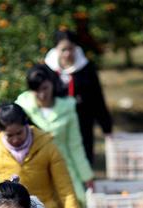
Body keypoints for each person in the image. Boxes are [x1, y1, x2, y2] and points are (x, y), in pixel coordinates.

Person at [16, 65, 95, 205]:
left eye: (45, 88)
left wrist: (86, 176)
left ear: (52, 83)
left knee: (73, 206)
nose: (42, 95)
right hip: (36, 171)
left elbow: (75, 145)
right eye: (36, 90)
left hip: (64, 167)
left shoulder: (67, 107)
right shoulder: (22, 108)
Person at [45, 30, 113, 165]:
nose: (67, 53)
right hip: (56, 123)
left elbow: (97, 98)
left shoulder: (86, 68)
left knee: (83, 158)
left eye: (71, 49)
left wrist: (106, 126)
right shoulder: (47, 69)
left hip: (82, 121)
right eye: (63, 49)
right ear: (56, 49)